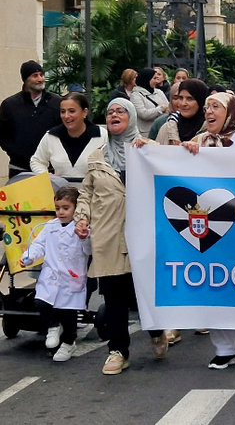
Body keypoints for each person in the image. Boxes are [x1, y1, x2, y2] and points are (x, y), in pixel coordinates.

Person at [74, 98, 167, 374]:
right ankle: (118, 351)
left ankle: (156, 331)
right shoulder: (97, 157)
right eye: (110, 111)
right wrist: (82, 218)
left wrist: (149, 153)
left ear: (132, 118)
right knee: (113, 296)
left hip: (143, 236)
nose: (114, 115)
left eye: (120, 111)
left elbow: (173, 177)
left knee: (142, 293)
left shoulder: (151, 150)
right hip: (109, 235)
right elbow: (87, 193)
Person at [181, 92, 235, 369]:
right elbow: (165, 164)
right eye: (206, 107)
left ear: (231, 111)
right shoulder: (197, 142)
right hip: (210, 227)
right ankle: (225, 348)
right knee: (215, 283)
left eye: (215, 107)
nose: (208, 112)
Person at [20, 185, 90, 362]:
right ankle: (52, 326)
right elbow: (39, 244)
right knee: (41, 301)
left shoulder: (81, 229)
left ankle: (68, 343)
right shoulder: (50, 226)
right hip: (51, 276)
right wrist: (28, 256)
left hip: (71, 278)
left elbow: (89, 250)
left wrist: (84, 238)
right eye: (58, 208)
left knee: (68, 313)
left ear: (76, 209)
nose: (60, 212)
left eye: (66, 208)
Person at [0, 60, 62, 178]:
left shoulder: (57, 102)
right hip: (19, 169)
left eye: (41, 75)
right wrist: (14, 151)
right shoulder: (10, 105)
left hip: (49, 170)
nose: (40, 79)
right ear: (25, 79)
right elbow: (3, 134)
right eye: (35, 75)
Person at [31, 92, 107, 180]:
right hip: (60, 192)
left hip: (92, 192)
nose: (66, 116)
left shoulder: (101, 136)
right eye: (63, 111)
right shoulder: (51, 136)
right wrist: (45, 176)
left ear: (84, 112)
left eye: (72, 111)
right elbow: (37, 161)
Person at [156, 78, 209, 146]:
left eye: (190, 99)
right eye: (180, 98)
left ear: (201, 101)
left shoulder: (211, 132)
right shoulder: (167, 128)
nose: (183, 103)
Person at [130, 68, 169, 138]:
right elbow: (143, 114)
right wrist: (161, 109)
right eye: (154, 78)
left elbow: (168, 107)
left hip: (162, 130)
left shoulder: (159, 92)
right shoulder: (136, 95)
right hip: (146, 133)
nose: (156, 81)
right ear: (146, 79)